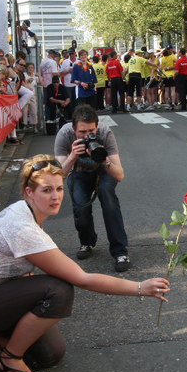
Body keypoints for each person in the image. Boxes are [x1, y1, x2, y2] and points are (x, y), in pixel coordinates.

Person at [0, 154, 169, 372]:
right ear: (29, 192)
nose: (56, 196)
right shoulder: (22, 228)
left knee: (50, 355)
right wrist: (139, 287)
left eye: (59, 188)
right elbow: (82, 279)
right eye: (47, 190)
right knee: (59, 290)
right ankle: (9, 358)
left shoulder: (26, 210)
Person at [55, 105, 130, 272]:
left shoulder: (105, 133)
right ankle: (87, 242)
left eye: (91, 131)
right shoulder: (64, 134)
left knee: (108, 198)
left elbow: (119, 175)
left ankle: (120, 252)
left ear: (97, 127)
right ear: (73, 128)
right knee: (80, 206)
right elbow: (58, 176)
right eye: (82, 132)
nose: (87, 136)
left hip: (104, 171)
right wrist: (72, 156)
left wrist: (104, 160)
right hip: (77, 172)